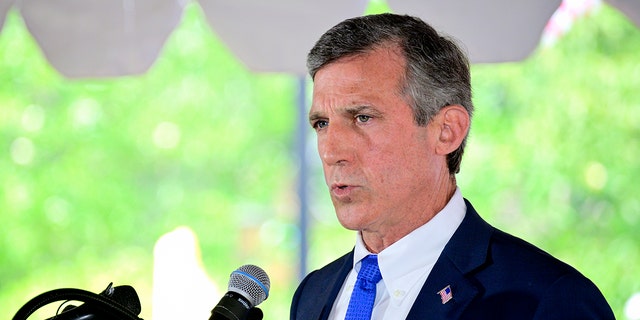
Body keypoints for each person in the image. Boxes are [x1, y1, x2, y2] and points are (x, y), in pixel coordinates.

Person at [290, 13, 614, 320]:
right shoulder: (314, 293)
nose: (331, 151)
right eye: (321, 123)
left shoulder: (549, 300)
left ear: (447, 131)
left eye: (363, 118)